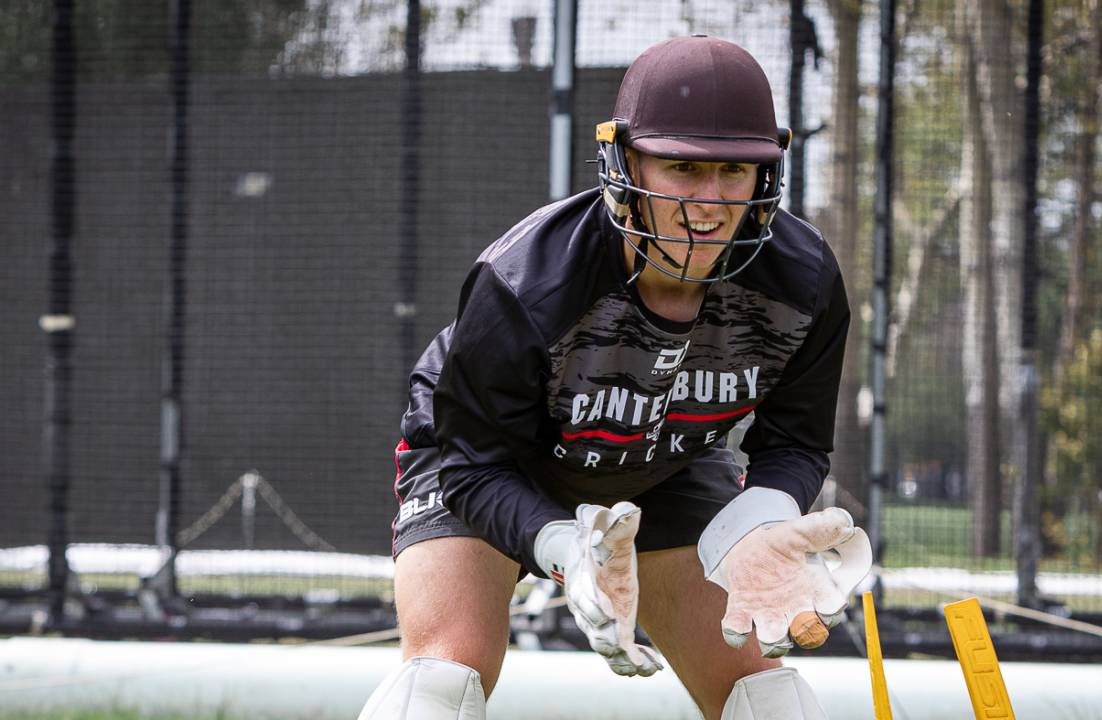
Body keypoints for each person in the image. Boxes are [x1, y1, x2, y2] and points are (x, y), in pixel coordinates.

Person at [359, 35, 871, 720]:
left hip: (664, 468)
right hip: (496, 465)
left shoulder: (804, 282)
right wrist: (567, 548)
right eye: (682, 170)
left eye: (734, 170)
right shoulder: (523, 283)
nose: (712, 202)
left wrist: (765, 518)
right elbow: (475, 465)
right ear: (623, 162)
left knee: (770, 701)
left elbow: (796, 446)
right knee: (437, 690)